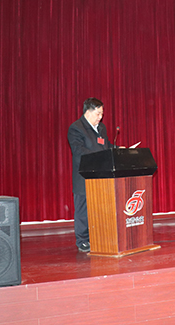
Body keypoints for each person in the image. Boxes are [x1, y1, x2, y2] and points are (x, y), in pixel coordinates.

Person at [67, 98, 113, 252]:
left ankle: (99, 236)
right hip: (84, 175)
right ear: (88, 112)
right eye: (98, 113)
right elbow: (78, 151)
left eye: (102, 114)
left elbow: (106, 146)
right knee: (83, 209)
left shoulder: (101, 128)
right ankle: (83, 240)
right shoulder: (76, 128)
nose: (100, 117)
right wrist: (100, 156)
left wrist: (118, 149)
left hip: (101, 174)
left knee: (100, 207)